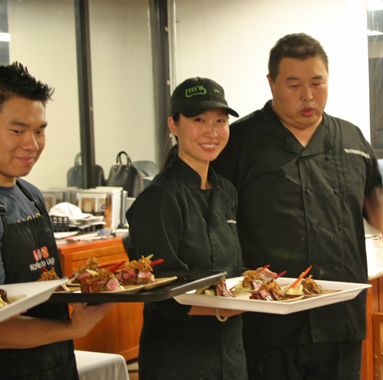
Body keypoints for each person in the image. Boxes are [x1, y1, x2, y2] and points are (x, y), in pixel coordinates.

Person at [211, 33, 383, 380]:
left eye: (317, 83)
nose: (308, 96)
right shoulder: (238, 144)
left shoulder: (352, 139)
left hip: (340, 319)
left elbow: (375, 202)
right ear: (271, 83)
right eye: (294, 85)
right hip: (267, 323)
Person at [126, 77, 247, 380]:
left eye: (220, 121)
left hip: (230, 357)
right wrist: (229, 307)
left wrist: (253, 282)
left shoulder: (227, 192)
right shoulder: (157, 199)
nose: (212, 131)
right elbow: (160, 290)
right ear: (173, 125)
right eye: (199, 120)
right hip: (177, 362)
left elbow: (230, 270)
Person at [0, 62, 115, 379]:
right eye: (17, 130)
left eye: (39, 131)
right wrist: (72, 327)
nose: (32, 144)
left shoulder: (31, 195)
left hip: (57, 366)